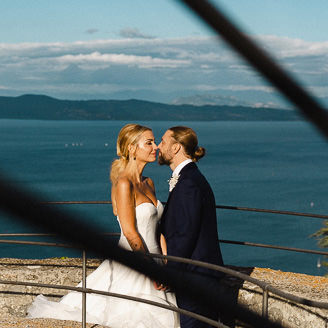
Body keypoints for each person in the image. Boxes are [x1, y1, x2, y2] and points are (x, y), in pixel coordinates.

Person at [27, 123, 178, 328]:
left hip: (156, 259)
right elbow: (131, 233)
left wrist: (166, 262)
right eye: (149, 143)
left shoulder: (148, 182)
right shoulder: (123, 183)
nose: (156, 147)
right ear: (132, 148)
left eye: (154, 142)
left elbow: (157, 226)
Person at [157, 126, 227, 328]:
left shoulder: (188, 183)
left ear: (177, 147)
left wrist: (169, 271)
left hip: (195, 277)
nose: (159, 147)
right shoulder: (191, 177)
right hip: (198, 275)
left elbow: (184, 234)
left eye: (163, 141)